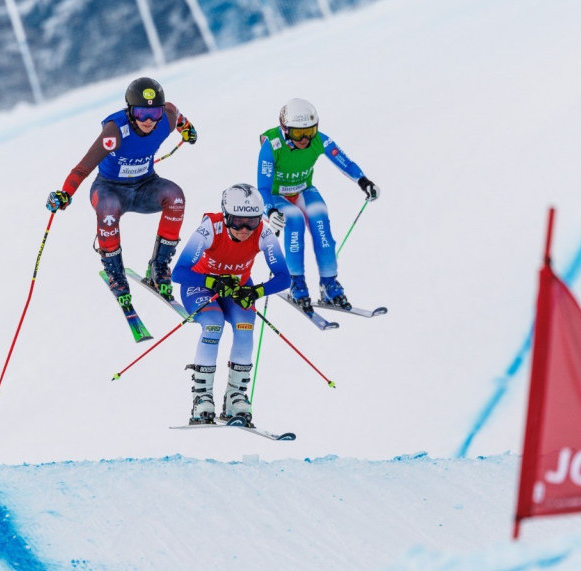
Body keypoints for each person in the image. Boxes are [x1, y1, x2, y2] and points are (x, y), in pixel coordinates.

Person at [45, 76, 198, 304]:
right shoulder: (115, 131)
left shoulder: (166, 119)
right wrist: (65, 193)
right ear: (129, 111)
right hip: (110, 190)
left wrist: (187, 128)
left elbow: (174, 111)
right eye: (140, 114)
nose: (148, 121)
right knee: (107, 210)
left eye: (154, 114)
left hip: (146, 186)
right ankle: (115, 274)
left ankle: (159, 267)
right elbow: (83, 167)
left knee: (175, 197)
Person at [171, 184, 291, 425]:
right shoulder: (209, 229)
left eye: (252, 221)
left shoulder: (264, 234)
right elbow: (179, 273)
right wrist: (211, 281)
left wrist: (256, 291)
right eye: (237, 221)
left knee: (246, 323)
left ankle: (235, 396)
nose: (245, 229)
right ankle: (201, 397)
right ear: (226, 216)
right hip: (200, 285)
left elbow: (283, 277)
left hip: (237, 289)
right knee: (213, 324)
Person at [257, 98, 379, 312]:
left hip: (304, 189)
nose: (305, 139)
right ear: (285, 130)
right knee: (293, 220)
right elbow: (263, 188)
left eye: (310, 131)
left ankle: (329, 283)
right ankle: (297, 282)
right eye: (297, 134)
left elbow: (345, 162)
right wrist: (271, 211)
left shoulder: (318, 140)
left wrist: (363, 181)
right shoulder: (272, 146)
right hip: (278, 196)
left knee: (320, 220)